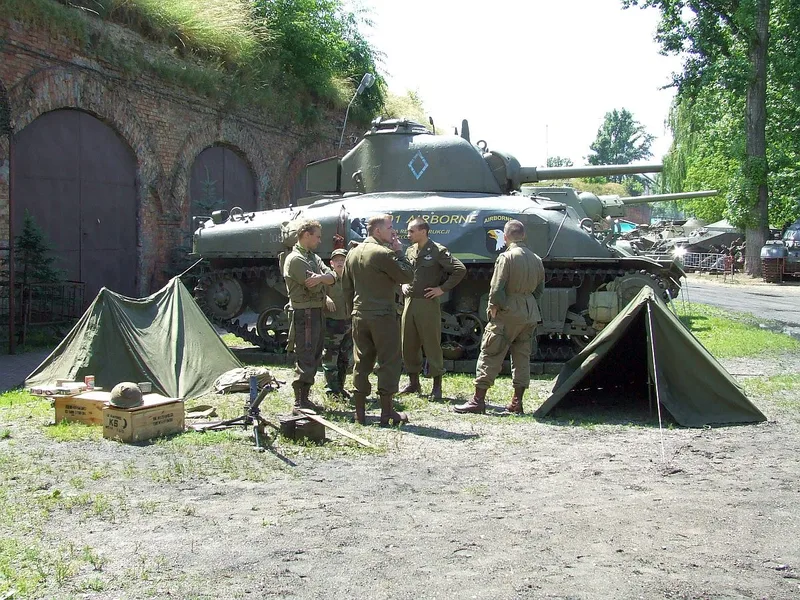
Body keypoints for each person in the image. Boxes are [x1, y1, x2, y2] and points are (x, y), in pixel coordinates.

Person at [454, 219, 544, 415]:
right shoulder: (536, 258)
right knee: (522, 357)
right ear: (523, 235)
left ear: (506, 236)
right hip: (529, 313)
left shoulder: (506, 257)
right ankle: (517, 403)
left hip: (507, 313)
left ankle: (478, 401)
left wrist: (494, 307)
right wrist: (527, 303)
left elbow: (497, 287)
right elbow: (539, 289)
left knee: (490, 352)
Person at [342, 214, 414, 426]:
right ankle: (386, 413)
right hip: (382, 316)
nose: (393, 231)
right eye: (390, 227)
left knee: (361, 361)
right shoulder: (383, 253)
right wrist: (400, 252)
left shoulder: (352, 253)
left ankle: (360, 413)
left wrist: (351, 312)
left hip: (359, 315)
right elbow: (407, 276)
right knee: (388, 361)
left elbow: (346, 288)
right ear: (377, 231)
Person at [399, 217, 466, 399]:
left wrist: (441, 289)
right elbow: (404, 271)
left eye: (412, 231)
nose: (408, 234)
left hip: (427, 303)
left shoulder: (437, 251)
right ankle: (414, 383)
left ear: (423, 231)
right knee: (408, 343)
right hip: (410, 302)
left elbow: (459, 269)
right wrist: (402, 284)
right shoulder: (410, 250)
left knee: (431, 343)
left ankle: (437, 386)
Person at [283, 219, 336, 411]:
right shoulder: (296, 259)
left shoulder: (312, 257)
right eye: (317, 236)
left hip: (315, 312)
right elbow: (313, 288)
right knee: (306, 355)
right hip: (304, 313)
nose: (320, 241)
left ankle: (305, 397)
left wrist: (321, 277)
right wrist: (325, 279)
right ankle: (300, 400)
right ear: (306, 235)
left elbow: (333, 276)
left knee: (314, 354)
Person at [322, 248, 353, 398]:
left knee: (344, 358)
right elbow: (316, 292)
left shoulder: (351, 279)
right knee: (330, 359)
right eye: (337, 260)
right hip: (332, 323)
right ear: (331, 263)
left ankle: (340, 387)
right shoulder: (328, 279)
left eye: (343, 260)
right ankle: (332, 390)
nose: (340, 263)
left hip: (348, 323)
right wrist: (326, 299)